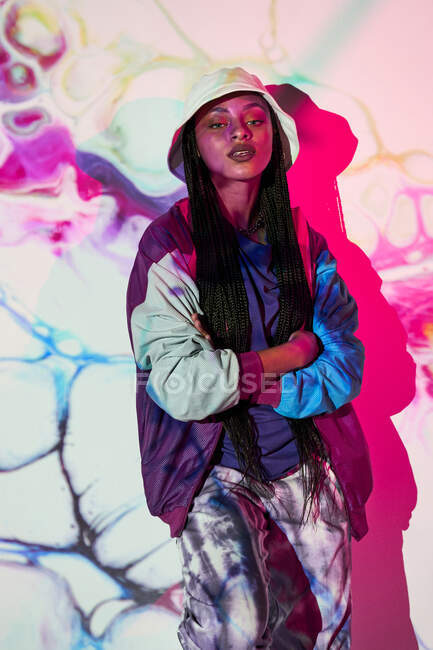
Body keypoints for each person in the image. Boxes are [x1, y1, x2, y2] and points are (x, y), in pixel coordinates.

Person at [126, 67, 372, 649]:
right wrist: (289, 354)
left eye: (255, 119)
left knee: (327, 629)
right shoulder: (169, 248)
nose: (241, 133)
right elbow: (183, 385)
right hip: (212, 466)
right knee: (232, 628)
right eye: (219, 123)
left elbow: (343, 365)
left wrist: (254, 378)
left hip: (308, 460)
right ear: (195, 143)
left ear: (274, 139)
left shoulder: (307, 246)